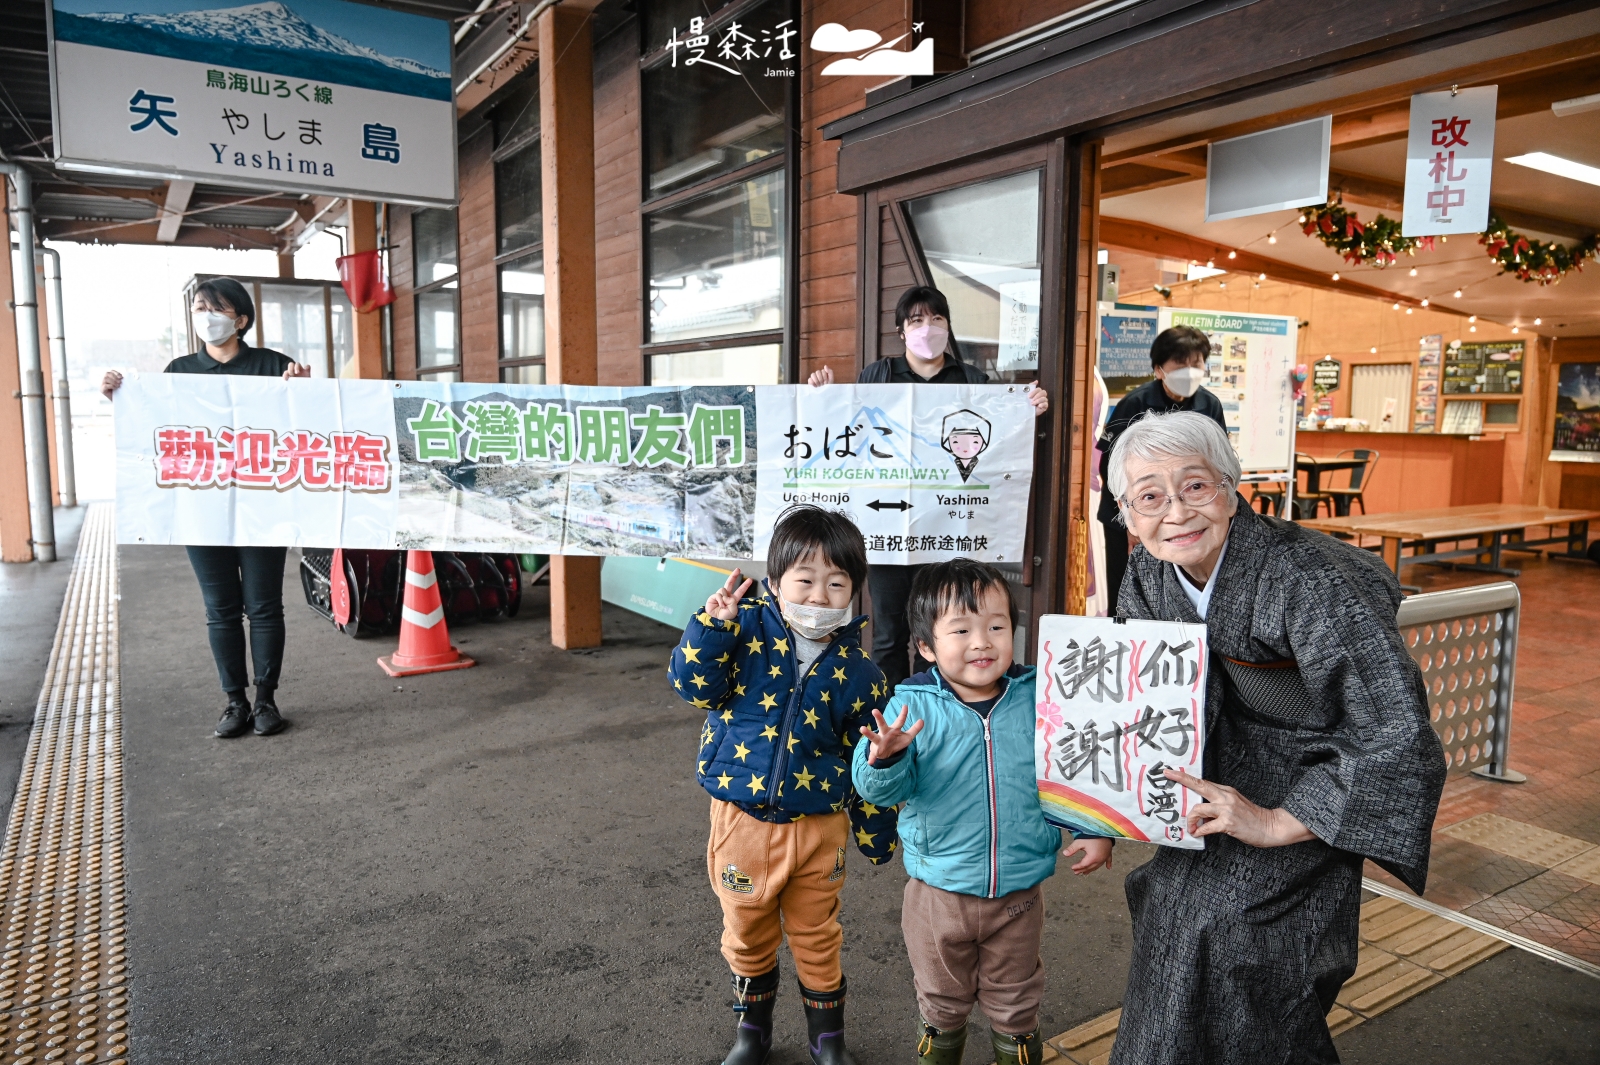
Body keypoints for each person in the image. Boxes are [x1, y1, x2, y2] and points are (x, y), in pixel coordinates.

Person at [1103, 411, 1445, 1065]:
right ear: (1126, 511)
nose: (1174, 512)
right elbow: (1132, 697)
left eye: (1194, 486)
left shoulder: (1309, 577)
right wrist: (1101, 806)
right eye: (1150, 495)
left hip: (1314, 775)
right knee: (1170, 907)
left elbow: (1395, 730)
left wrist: (1275, 822)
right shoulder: (1148, 574)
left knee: (1235, 937)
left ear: (1231, 487)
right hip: (1221, 767)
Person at [852, 559, 1113, 1065]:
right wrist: (886, 757)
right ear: (926, 646)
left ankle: (1015, 1048)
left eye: (996, 626)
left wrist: (1094, 829)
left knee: (1016, 1002)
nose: (982, 642)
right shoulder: (911, 705)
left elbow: (1072, 771)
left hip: (1018, 892)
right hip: (938, 894)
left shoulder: (1042, 698)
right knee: (942, 1002)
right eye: (962, 629)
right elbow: (878, 790)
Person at [668, 506, 900, 1065]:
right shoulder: (739, 633)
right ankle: (753, 1036)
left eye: (837, 583)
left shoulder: (864, 674)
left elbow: (866, 760)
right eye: (805, 580)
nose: (820, 597)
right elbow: (691, 687)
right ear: (774, 583)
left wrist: (876, 831)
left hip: (821, 829)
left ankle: (829, 1044)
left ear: (855, 593)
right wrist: (711, 627)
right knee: (745, 932)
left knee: (818, 936)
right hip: (742, 822)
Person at [807, 286, 1049, 690]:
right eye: (917, 320)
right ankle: (891, 717)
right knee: (887, 637)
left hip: (947, 531)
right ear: (902, 331)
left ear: (948, 327)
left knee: (942, 629)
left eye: (937, 319)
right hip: (887, 534)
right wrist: (821, 397)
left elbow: (997, 442)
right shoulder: (878, 375)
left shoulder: (972, 380)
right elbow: (849, 435)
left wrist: (1029, 407)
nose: (928, 328)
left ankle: (938, 710)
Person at [102, 277, 310, 738]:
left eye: (215, 309)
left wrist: (304, 390)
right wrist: (120, 395)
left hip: (263, 506)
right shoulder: (177, 370)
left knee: (264, 607)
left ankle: (266, 701)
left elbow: (306, 429)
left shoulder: (274, 366)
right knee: (220, 608)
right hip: (200, 509)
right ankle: (234, 702)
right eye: (199, 307)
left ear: (240, 319)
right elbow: (152, 430)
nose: (206, 317)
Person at [1096, 325, 1227, 611]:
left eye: (1196, 363)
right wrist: (1130, 519)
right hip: (1136, 511)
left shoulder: (1209, 404)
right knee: (1131, 585)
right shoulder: (1136, 403)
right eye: (1180, 363)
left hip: (1189, 508)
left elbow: (1220, 460)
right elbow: (1110, 465)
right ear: (1159, 369)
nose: (1189, 370)